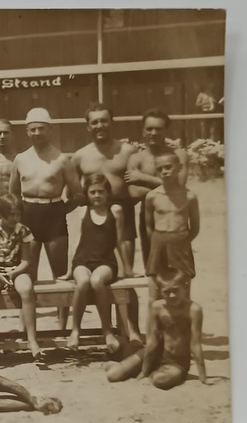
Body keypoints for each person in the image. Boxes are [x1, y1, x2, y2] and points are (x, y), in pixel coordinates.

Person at [72, 103, 141, 343]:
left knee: (125, 276)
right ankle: (70, 329)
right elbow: (71, 191)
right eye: (95, 122)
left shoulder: (129, 151)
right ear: (88, 125)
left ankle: (130, 329)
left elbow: (142, 184)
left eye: (104, 120)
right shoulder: (80, 155)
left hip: (122, 212)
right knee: (92, 276)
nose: (100, 125)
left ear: (112, 122)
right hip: (93, 216)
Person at [9, 107, 83, 330]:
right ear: (27, 132)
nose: (37, 133)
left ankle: (62, 326)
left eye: (41, 128)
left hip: (54, 216)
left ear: (50, 129)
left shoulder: (62, 160)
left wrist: (61, 210)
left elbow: (78, 194)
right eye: (32, 129)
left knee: (60, 274)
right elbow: (13, 194)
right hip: (28, 215)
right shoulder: (20, 159)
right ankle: (26, 326)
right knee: (26, 274)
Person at [105, 269, 206, 390]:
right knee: (112, 376)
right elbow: (152, 342)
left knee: (160, 381)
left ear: (185, 286)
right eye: (167, 292)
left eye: (175, 290)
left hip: (176, 362)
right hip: (153, 354)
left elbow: (195, 344)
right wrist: (144, 371)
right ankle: (126, 366)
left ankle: (136, 368)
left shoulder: (193, 310)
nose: (172, 295)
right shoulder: (157, 307)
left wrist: (202, 376)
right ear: (160, 291)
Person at [65, 174, 132, 353]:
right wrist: (68, 270)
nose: (97, 196)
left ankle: (107, 330)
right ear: (86, 194)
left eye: (101, 192)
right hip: (83, 260)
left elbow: (120, 240)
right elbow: (75, 241)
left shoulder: (115, 210)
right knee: (83, 281)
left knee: (96, 281)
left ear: (108, 193)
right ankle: (75, 330)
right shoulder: (83, 212)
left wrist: (127, 268)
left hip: (105, 262)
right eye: (92, 192)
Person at [0, 194, 42, 364]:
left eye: (18, 214)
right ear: (2, 214)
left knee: (26, 289)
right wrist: (0, 276)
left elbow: (26, 261)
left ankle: (32, 341)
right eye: (11, 214)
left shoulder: (23, 231)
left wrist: (13, 274)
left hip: (16, 270)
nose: (15, 218)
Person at [126, 108, 190, 267]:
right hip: (149, 217)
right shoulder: (136, 158)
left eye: (158, 129)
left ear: (166, 130)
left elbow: (180, 186)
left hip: (175, 215)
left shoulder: (179, 155)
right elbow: (133, 193)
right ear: (143, 131)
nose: (153, 133)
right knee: (153, 267)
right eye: (149, 128)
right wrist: (167, 187)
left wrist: (142, 178)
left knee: (179, 270)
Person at [144, 152, 199, 303]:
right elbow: (148, 227)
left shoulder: (189, 196)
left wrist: (181, 241)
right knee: (155, 287)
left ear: (179, 167)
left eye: (168, 167)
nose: (164, 172)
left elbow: (195, 227)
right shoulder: (152, 196)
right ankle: (154, 325)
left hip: (180, 242)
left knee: (183, 288)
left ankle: (183, 325)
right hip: (158, 242)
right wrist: (158, 240)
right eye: (160, 169)